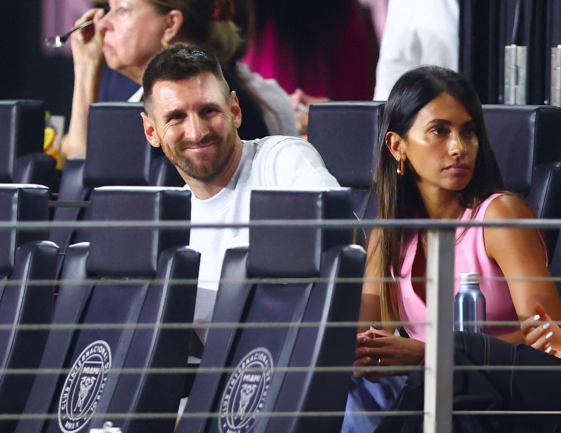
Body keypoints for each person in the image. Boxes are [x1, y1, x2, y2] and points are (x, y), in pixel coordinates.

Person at [345, 65, 561, 431]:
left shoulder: (500, 216)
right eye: (439, 132)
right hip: (430, 393)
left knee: (450, 375)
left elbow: (551, 335)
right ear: (398, 146)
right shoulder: (389, 231)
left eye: (469, 132)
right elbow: (367, 336)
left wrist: (431, 356)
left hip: (504, 397)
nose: (459, 148)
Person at [140, 45, 341, 343]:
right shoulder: (166, 223)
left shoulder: (281, 159)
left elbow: (342, 234)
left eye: (208, 111)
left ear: (234, 110)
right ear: (151, 131)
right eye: (176, 117)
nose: (196, 132)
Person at [62, 0, 296, 164]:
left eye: (122, 10)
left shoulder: (193, 101)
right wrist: (85, 67)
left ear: (171, 24)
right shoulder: (148, 99)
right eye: (108, 9)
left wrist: (84, 69)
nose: (103, 24)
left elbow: (82, 177)